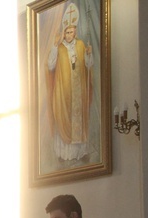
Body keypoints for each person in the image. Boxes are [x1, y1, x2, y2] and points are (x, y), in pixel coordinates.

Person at [47, 2, 93, 162]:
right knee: (64, 118)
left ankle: (80, 153)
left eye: (71, 32)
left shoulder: (80, 45)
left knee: (79, 121)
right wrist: (53, 46)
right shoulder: (59, 48)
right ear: (63, 32)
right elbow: (50, 65)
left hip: (78, 91)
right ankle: (64, 154)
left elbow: (88, 65)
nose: (69, 35)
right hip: (64, 91)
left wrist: (88, 54)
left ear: (75, 32)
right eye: (66, 32)